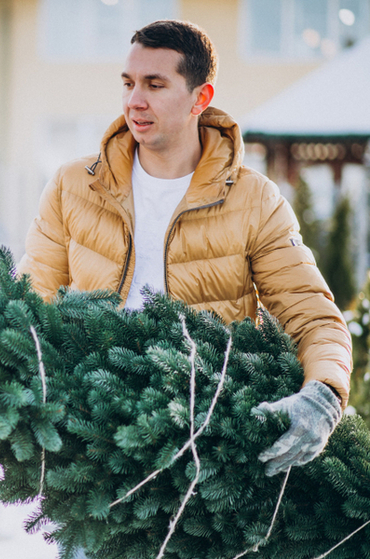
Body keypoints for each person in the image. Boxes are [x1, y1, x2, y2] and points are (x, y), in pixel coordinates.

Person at [17, 20, 350, 481]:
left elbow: (312, 316)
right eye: (129, 83)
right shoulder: (74, 186)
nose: (135, 100)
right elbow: (30, 306)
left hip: (206, 451)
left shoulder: (254, 200)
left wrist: (324, 394)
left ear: (200, 98)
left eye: (155, 85)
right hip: (91, 449)